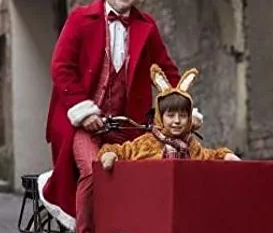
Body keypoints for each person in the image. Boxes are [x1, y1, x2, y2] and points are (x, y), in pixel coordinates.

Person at [39, 0, 203, 233]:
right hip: (81, 121)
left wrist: (182, 106)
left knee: (142, 172)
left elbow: (166, 70)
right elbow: (61, 68)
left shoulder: (147, 26)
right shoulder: (80, 19)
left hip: (126, 124)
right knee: (94, 169)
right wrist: (83, 110)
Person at [98, 63, 240, 169]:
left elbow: (208, 156)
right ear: (160, 117)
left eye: (183, 116)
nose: (177, 121)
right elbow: (122, 150)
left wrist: (225, 156)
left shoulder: (191, 145)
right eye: (170, 116)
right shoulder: (147, 143)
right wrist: (109, 154)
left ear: (189, 118)